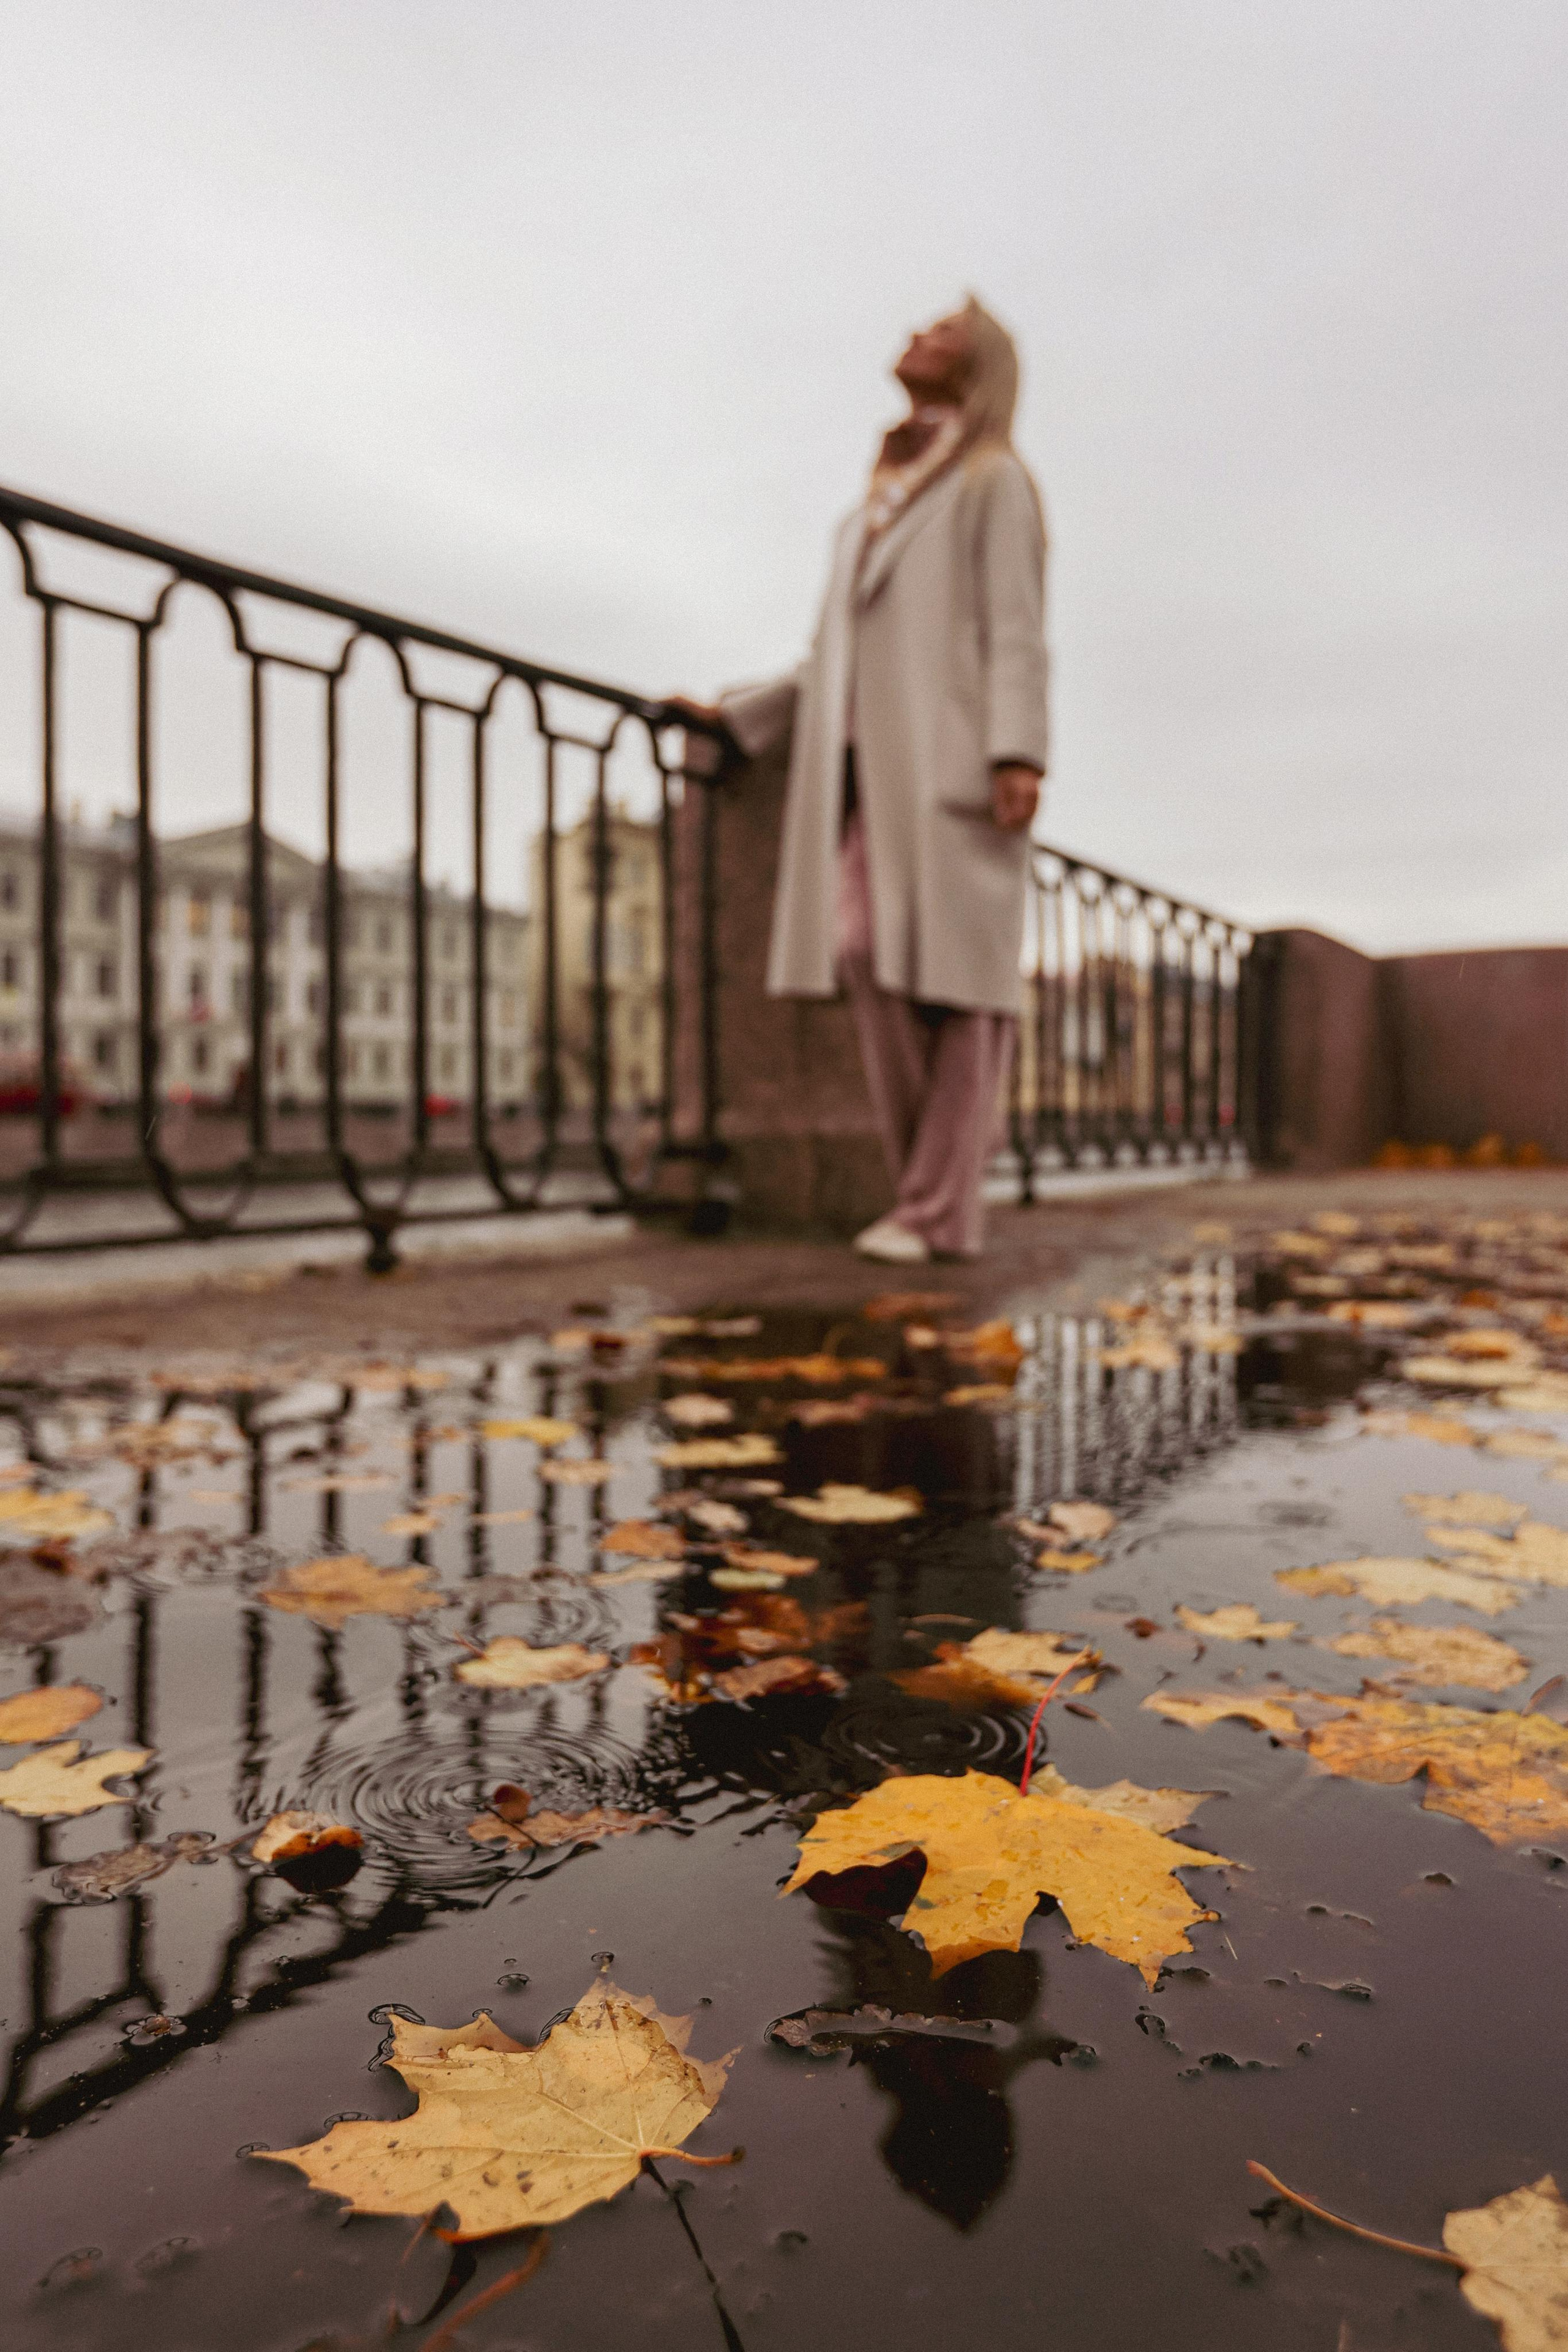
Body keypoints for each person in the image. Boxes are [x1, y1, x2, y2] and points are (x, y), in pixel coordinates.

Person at [671, 297, 1047, 1263]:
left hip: (955, 766)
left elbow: (1015, 624)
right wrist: (738, 717)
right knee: (864, 951)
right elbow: (826, 659)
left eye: (944, 329)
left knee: (966, 989)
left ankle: (934, 1209)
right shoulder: (866, 512)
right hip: (868, 779)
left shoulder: (992, 479)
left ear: (976, 362)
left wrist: (1018, 751)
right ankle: (942, 1186)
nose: (918, 332)